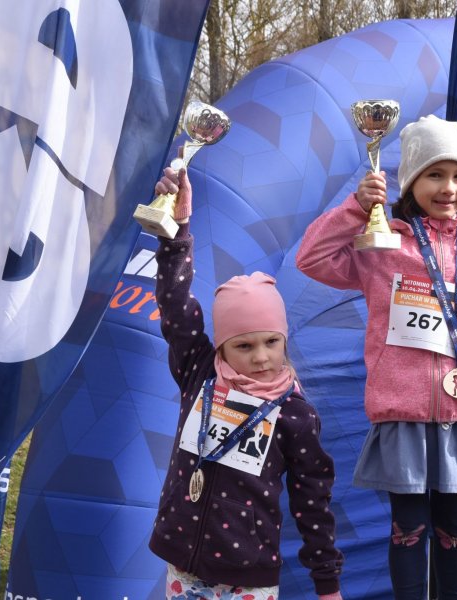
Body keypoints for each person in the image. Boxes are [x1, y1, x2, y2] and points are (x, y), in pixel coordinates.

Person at [296, 115, 457, 599]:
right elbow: (312, 258)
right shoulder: (384, 244)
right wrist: (357, 209)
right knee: (409, 526)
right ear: (411, 181)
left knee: (455, 526)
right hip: (403, 414)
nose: (449, 188)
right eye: (435, 175)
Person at [147, 163, 344, 600]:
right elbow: (177, 306)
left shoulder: (295, 414)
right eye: (244, 345)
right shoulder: (200, 373)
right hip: (183, 563)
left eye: (271, 342)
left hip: (247, 577)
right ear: (221, 348)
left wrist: (326, 583)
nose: (260, 357)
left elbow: (312, 501)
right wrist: (175, 230)